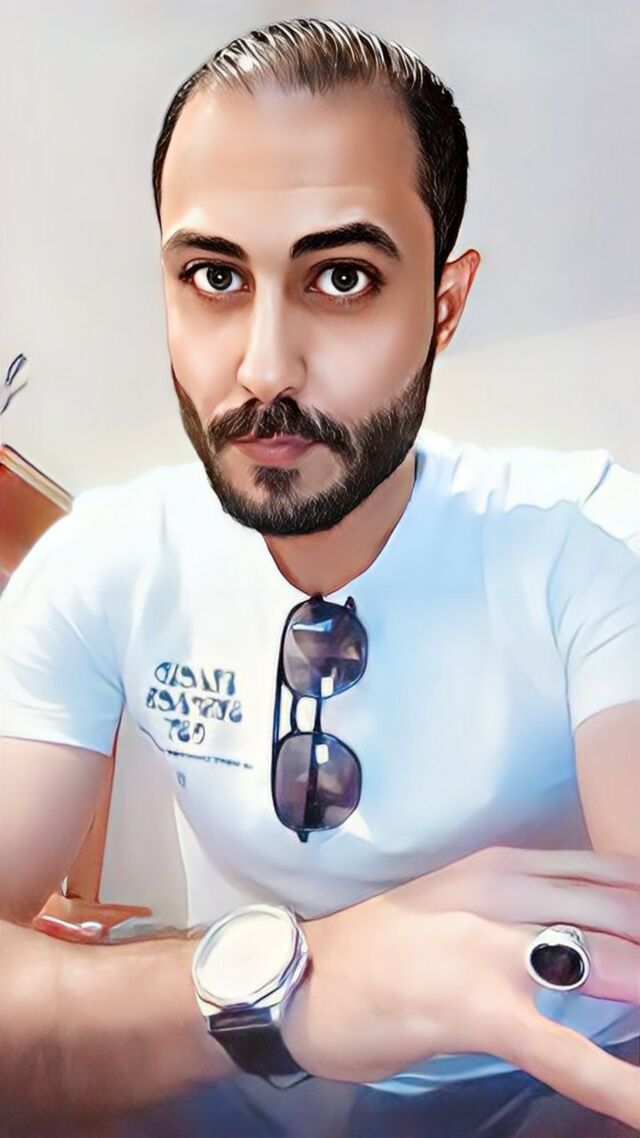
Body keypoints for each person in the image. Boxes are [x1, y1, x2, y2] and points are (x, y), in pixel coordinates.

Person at [1, 16, 639, 1137]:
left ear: (442, 306)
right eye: (212, 276)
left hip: (549, 1082)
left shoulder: (587, 544)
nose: (263, 366)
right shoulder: (104, 563)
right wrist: (304, 980)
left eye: (342, 277)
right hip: (240, 1067)